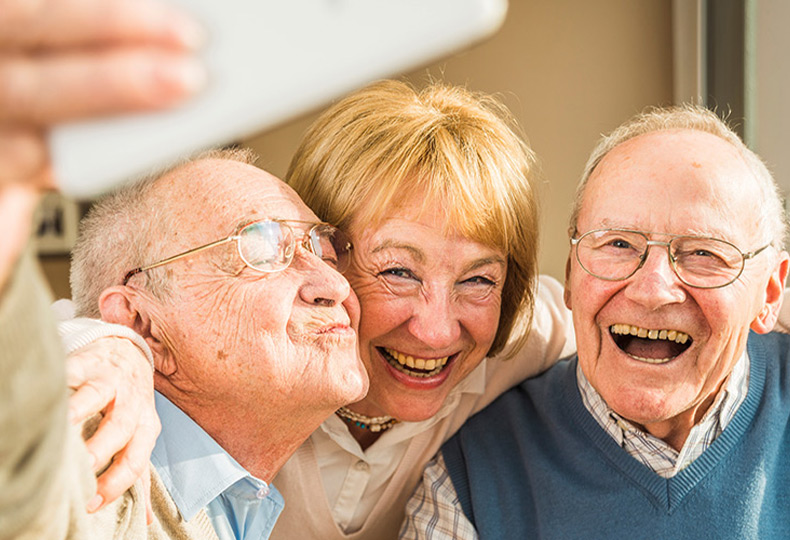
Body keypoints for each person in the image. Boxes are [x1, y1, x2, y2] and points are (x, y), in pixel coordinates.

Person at [59, 80, 577, 539]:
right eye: (397, 271)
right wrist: (109, 345)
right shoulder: (254, 372)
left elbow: (609, 324)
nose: (438, 331)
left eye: (478, 279)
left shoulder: (514, 343)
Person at [401, 105, 790, 539]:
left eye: (705, 253)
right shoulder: (470, 478)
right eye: (618, 243)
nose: (652, 290)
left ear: (771, 291)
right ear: (570, 275)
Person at [0, 0, 204, 538]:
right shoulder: (106, 456)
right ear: (142, 320)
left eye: (322, 245)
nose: (328, 285)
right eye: (261, 244)